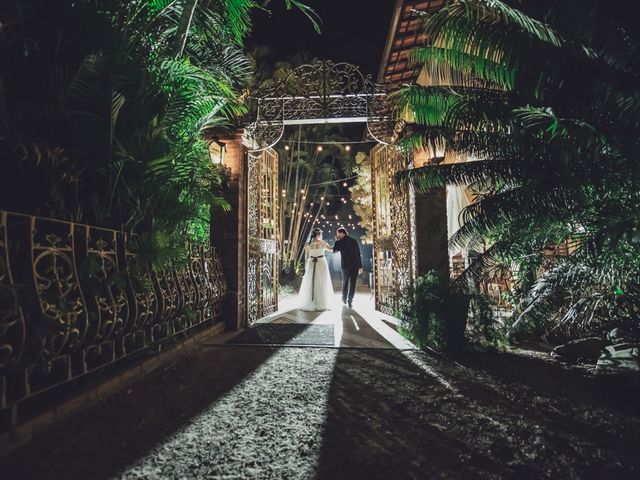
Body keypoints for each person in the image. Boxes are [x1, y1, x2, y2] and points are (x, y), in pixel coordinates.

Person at [297, 228, 334, 311]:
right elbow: (331, 249)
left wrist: (307, 266)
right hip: (321, 262)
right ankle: (321, 302)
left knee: (312, 281)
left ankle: (313, 301)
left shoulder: (308, 244)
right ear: (318, 235)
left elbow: (306, 257)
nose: (320, 236)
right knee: (321, 281)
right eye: (320, 234)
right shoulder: (323, 243)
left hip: (311, 262)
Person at [332, 227, 362, 308]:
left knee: (345, 283)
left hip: (345, 265)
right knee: (353, 284)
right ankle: (350, 300)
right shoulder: (354, 241)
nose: (337, 235)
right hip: (355, 265)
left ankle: (344, 298)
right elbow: (358, 254)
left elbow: (334, 251)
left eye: (338, 233)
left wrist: (337, 240)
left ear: (342, 233)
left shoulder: (340, 241)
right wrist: (360, 266)